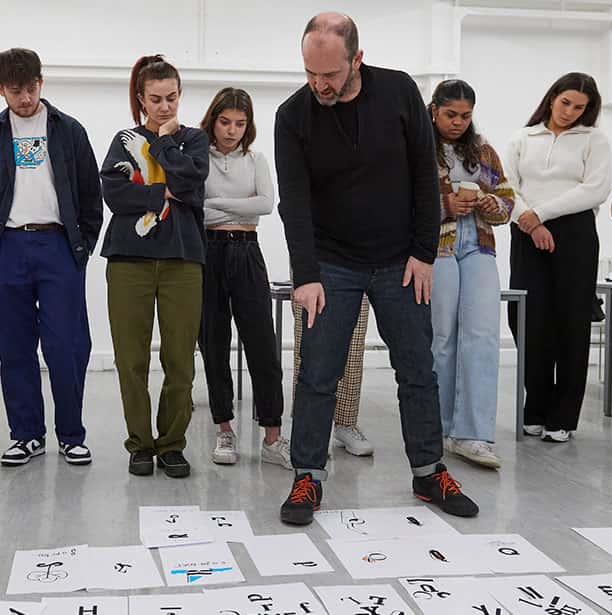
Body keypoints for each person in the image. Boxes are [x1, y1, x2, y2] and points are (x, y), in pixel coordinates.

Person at [276, 12, 478, 526]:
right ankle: (307, 475)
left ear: (357, 60)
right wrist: (306, 275)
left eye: (330, 75)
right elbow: (294, 203)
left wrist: (423, 252)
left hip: (399, 262)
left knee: (416, 369)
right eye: (310, 74)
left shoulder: (399, 92)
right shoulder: (292, 115)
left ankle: (429, 472)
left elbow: (422, 174)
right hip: (331, 263)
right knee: (318, 373)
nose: (319, 85)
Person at [0, 48, 103, 466]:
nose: (24, 98)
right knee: (15, 348)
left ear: (40, 82)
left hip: (57, 247)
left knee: (66, 346)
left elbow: (90, 196)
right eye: (15, 90)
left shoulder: (69, 131)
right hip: (5, 250)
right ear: (0, 88)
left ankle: (71, 435)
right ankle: (26, 435)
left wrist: (81, 247)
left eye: (30, 87)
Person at [101, 55, 208, 478]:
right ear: (141, 99)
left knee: (181, 359)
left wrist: (163, 144)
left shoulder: (195, 139)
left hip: (183, 261)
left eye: (171, 98)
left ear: (180, 96)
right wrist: (163, 195)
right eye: (155, 99)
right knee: (131, 360)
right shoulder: (124, 137)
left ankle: (171, 444)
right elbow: (113, 194)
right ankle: (140, 444)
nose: (164, 106)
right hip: (129, 262)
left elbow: (192, 184)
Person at [505, 72, 611, 443]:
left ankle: (563, 415)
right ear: (552, 98)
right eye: (565, 102)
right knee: (527, 319)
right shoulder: (523, 137)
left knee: (570, 322)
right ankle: (534, 408)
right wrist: (530, 223)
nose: (570, 112)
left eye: (579, 107)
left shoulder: (593, 139)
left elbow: (596, 189)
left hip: (575, 234)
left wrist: (542, 215)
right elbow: (506, 186)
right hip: (526, 230)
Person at [197, 87, 291, 469]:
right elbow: (193, 213)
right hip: (208, 253)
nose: (232, 130)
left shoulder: (256, 159)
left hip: (248, 252)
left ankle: (272, 435)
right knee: (214, 344)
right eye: (225, 122)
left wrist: (214, 204)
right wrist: (237, 207)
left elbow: (266, 205)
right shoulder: (197, 157)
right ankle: (225, 430)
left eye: (240, 123)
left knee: (263, 347)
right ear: (213, 120)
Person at [428, 79, 514, 468]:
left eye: (465, 115)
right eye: (450, 114)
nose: (458, 122)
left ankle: (474, 435)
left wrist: (484, 199)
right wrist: (444, 204)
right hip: (437, 248)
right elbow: (402, 205)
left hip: (479, 246)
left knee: (482, 335)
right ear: (434, 111)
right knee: (442, 337)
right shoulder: (417, 150)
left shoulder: (484, 153)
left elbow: (507, 206)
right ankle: (440, 428)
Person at [292, 295, 374, 456]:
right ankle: (308, 429)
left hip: (361, 270)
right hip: (312, 272)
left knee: (354, 335)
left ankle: (346, 423)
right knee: (310, 336)